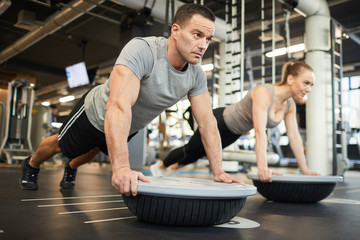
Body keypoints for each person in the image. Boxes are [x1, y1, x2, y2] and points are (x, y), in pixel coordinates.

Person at [20, 3, 242, 195]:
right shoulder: (143, 50)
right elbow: (118, 105)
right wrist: (122, 168)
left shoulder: (196, 75)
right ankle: (31, 165)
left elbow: (207, 123)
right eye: (197, 35)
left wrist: (218, 171)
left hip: (127, 126)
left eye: (208, 39)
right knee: (61, 145)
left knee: (95, 150)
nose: (203, 45)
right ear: (175, 30)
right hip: (96, 113)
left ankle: (71, 167)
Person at [151, 61, 320, 182]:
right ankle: (159, 166)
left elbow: (295, 138)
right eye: (306, 83)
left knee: (201, 153)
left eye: (311, 85)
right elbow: (260, 132)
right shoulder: (264, 93)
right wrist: (263, 167)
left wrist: (304, 168)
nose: (308, 89)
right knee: (190, 149)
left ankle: (172, 169)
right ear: (290, 79)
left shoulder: (289, 105)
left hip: (234, 132)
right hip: (221, 121)